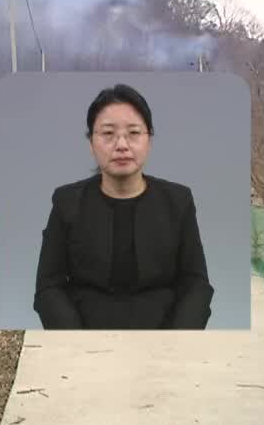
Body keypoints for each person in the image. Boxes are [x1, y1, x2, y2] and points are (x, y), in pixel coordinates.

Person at [33, 83, 213, 329]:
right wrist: (74, 343)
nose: (121, 145)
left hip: (164, 340)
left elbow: (196, 284)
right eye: (108, 134)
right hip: (85, 342)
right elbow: (48, 287)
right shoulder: (67, 203)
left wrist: (178, 341)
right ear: (91, 143)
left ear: (149, 140)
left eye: (133, 133)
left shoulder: (178, 201)